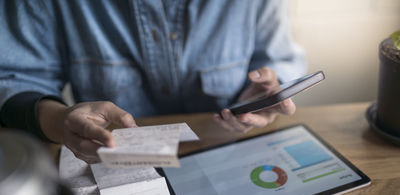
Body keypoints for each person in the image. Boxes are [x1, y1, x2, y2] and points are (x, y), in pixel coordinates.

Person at [0, 0, 306, 163]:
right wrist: (59, 121)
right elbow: (16, 78)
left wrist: (263, 96)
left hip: (232, 155)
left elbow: (278, 60)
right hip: (107, 164)